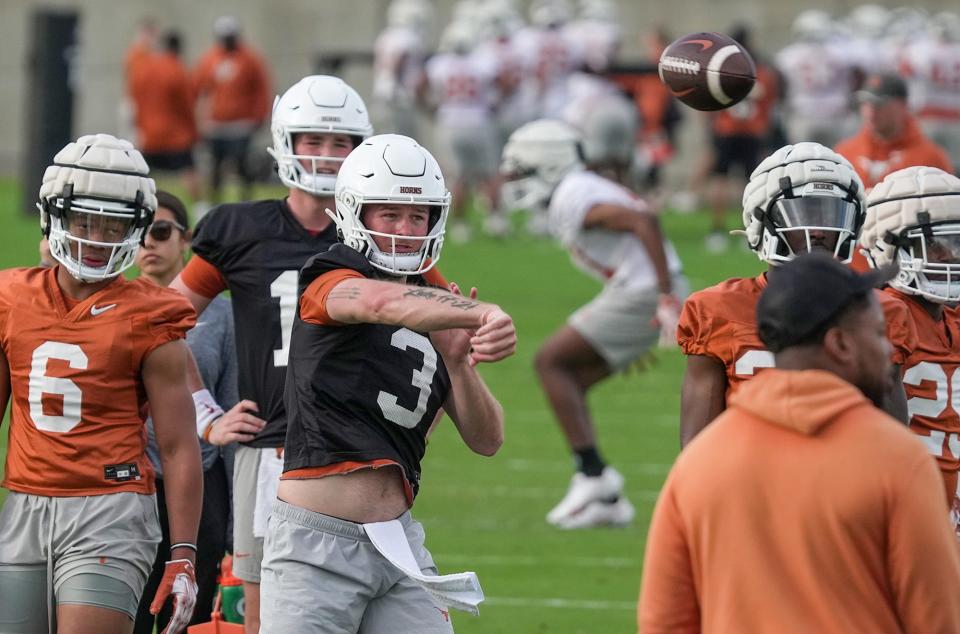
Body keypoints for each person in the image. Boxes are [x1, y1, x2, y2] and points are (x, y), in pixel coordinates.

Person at [259, 133, 516, 632]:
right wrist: (484, 311)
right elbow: (380, 304)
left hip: (398, 545)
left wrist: (459, 365)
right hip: (315, 548)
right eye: (389, 214)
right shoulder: (330, 277)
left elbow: (488, 440)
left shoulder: (434, 300)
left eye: (417, 217)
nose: (404, 230)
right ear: (357, 213)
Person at [639, 252, 960, 634]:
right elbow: (936, 618)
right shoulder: (896, 460)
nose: (890, 349)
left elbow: (665, 620)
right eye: (878, 333)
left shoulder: (701, 461)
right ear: (841, 345)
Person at [169, 75, 373, 634]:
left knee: (365, 603)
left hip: (361, 449)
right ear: (287, 141)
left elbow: (438, 316)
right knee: (264, 614)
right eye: (313, 140)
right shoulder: (240, 229)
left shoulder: (378, 234)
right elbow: (164, 319)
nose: (328, 155)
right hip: (271, 448)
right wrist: (206, 413)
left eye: (341, 143)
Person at [0, 134, 202, 633]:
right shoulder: (10, 296)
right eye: (83, 220)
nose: (96, 237)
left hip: (109, 510)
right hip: (24, 502)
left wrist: (183, 555)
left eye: (113, 223)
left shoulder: (152, 312)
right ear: (54, 216)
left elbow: (177, 446)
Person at [500, 119, 686, 529]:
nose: (513, 180)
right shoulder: (578, 188)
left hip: (643, 292)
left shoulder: (574, 194)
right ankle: (602, 492)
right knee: (571, 378)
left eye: (521, 170)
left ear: (547, 164)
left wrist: (664, 297)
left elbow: (645, 222)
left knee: (551, 362)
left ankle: (593, 477)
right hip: (638, 289)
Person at [677, 142, 916, 448]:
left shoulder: (883, 311)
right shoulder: (716, 309)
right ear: (763, 220)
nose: (818, 229)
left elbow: (891, 445)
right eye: (802, 212)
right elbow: (697, 449)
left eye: (831, 213)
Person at [133, 191, 237, 632]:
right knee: (128, 614)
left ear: (187, 240)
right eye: (138, 234)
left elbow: (234, 410)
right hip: (131, 486)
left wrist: (236, 527)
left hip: (200, 486)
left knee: (187, 621)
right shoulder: (115, 305)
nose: (147, 244)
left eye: (159, 232)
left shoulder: (223, 315)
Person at [859, 166, 960, 534]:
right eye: (935, 243)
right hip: (901, 496)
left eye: (957, 243)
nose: (950, 257)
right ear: (889, 247)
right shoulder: (883, 310)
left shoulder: (953, 316)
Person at [703, 25, 780, 253]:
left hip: (727, 129)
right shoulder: (762, 71)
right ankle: (748, 230)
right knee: (751, 183)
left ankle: (717, 230)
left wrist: (713, 127)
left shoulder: (722, 69)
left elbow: (710, 101)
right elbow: (769, 103)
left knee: (720, 180)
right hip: (752, 131)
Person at [193, 16, 271, 204]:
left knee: (243, 168)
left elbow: (262, 89)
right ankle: (213, 202)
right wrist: (199, 120)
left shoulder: (250, 59)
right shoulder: (210, 59)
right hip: (217, 125)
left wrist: (259, 116)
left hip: (241, 125)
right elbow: (197, 87)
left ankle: (246, 201)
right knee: (215, 169)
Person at [835, 72, 953, 191]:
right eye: (866, 103)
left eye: (880, 104)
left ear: (903, 105)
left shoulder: (931, 158)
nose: (871, 112)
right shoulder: (845, 153)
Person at [129, 31, 201, 201]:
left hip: (149, 134)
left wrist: (140, 126)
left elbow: (135, 99)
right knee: (190, 172)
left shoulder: (143, 68)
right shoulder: (178, 69)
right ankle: (199, 208)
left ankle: (139, 204)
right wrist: (194, 133)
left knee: (142, 176)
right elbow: (187, 105)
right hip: (176, 136)